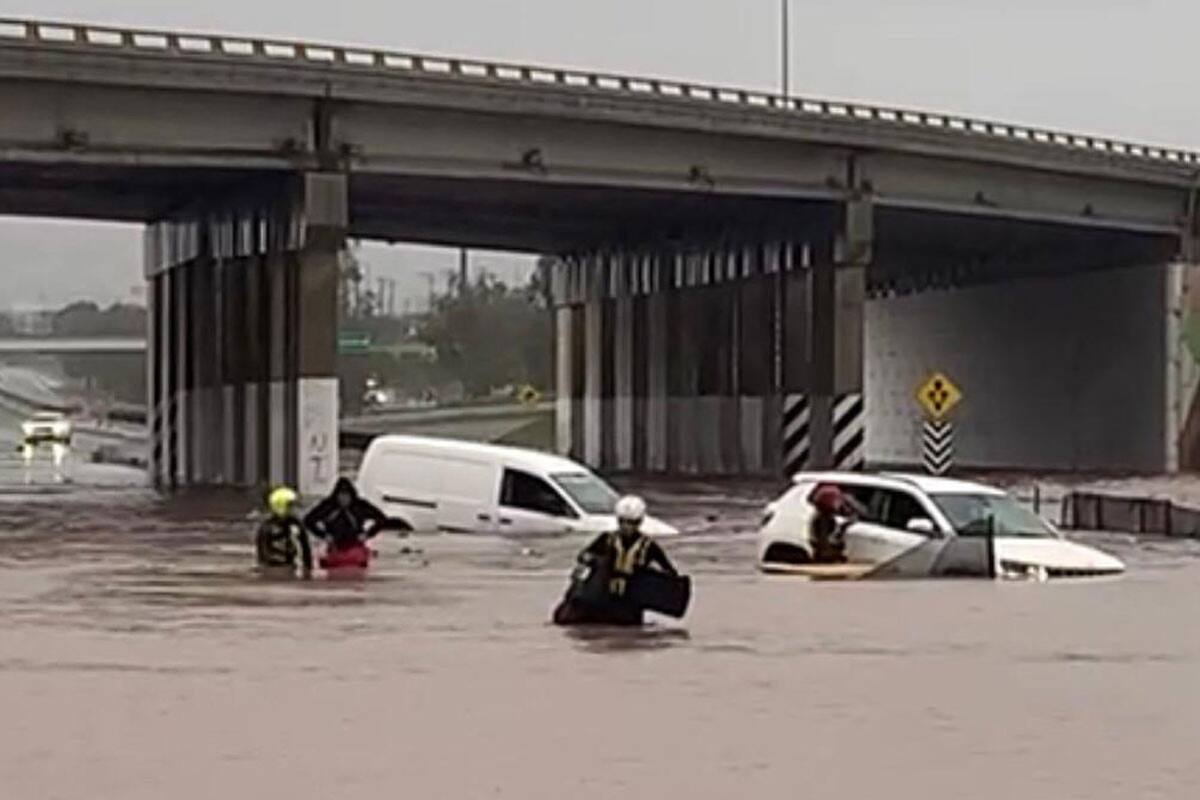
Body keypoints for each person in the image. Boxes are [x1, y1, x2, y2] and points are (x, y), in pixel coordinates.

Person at [553, 495, 679, 626]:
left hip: (630, 601)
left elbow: (669, 571)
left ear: (640, 522)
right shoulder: (607, 539)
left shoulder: (648, 545)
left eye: (632, 523)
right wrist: (590, 560)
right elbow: (584, 555)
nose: (626, 527)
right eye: (623, 522)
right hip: (606, 597)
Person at [303, 477, 388, 570]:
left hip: (355, 545)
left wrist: (367, 534)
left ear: (351, 496)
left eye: (346, 496)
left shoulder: (360, 506)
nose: (344, 499)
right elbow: (308, 520)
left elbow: (382, 519)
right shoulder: (328, 506)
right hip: (335, 546)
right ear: (336, 496)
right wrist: (323, 535)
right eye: (341, 495)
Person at [256, 486, 313, 578]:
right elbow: (261, 550)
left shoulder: (295, 524)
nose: (294, 509)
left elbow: (305, 548)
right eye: (291, 506)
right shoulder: (268, 526)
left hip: (287, 567)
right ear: (281, 505)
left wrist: (307, 567)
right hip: (274, 569)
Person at [809, 483, 852, 563]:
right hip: (825, 557)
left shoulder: (821, 518)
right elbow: (824, 541)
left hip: (822, 554)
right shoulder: (824, 520)